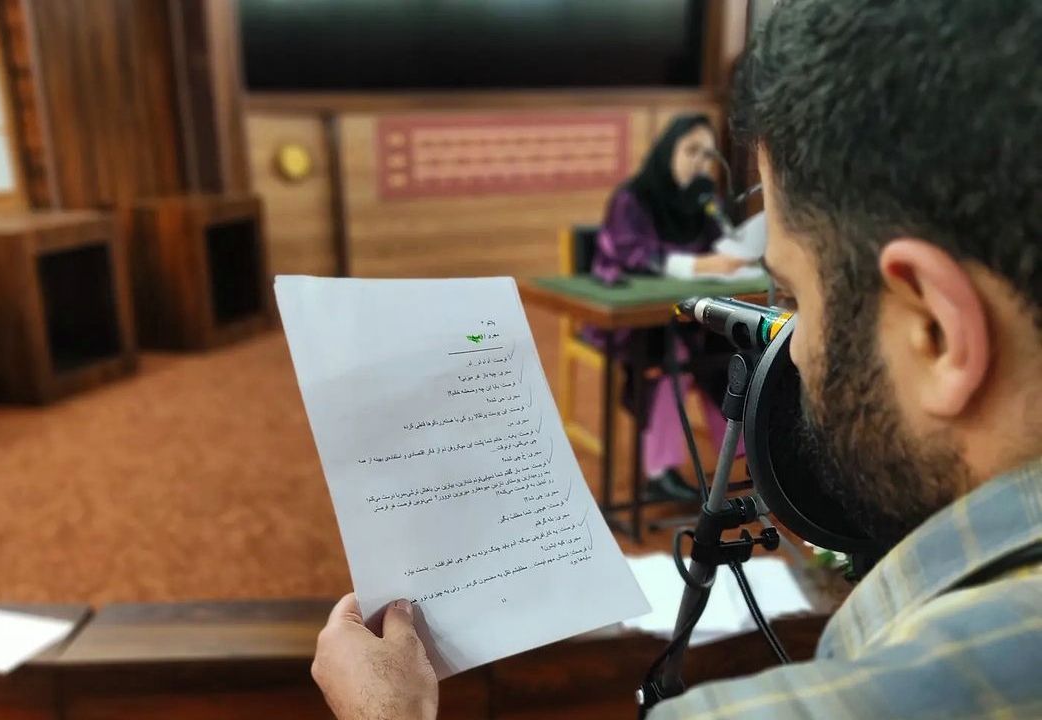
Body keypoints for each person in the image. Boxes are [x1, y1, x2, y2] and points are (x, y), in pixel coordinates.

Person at [309, 1, 1042, 717]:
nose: (789, 342)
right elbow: (631, 258)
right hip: (640, 335)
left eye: (795, 297)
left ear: (936, 331)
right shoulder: (637, 201)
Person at [588, 115, 752, 498]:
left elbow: (723, 246)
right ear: (668, 150)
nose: (699, 161)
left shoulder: (703, 198)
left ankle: (745, 456)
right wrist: (698, 266)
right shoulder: (634, 198)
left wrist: (735, 254)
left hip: (694, 313)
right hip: (641, 321)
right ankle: (659, 473)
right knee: (671, 355)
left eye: (707, 154)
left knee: (733, 350)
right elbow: (630, 254)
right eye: (691, 150)